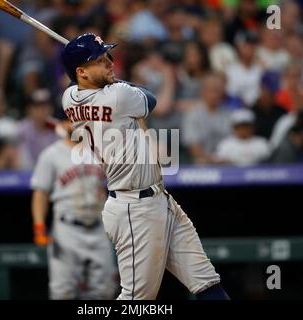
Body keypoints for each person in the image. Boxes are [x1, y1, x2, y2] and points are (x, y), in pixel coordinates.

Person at [60, 33, 229, 300]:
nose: (109, 63)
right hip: (134, 209)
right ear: (81, 72)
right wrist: (119, 82)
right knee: (137, 299)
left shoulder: (69, 97)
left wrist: (101, 76)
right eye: (99, 60)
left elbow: (84, 86)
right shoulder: (118, 95)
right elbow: (151, 98)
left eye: (107, 57)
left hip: (156, 200)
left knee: (206, 282)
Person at [30, 119, 117, 299]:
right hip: (67, 229)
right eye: (72, 120)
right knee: (63, 292)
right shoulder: (51, 154)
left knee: (103, 292)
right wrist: (39, 226)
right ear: (63, 124)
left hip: (99, 228)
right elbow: (40, 194)